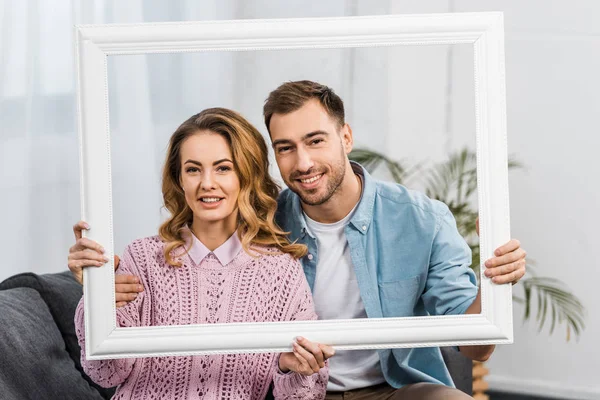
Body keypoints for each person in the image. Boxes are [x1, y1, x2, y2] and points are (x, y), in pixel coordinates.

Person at [70, 81, 527, 399]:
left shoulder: (422, 220)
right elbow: (182, 268)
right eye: (285, 147)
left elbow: (477, 347)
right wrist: (93, 284)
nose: (302, 161)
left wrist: (494, 281)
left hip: (395, 387)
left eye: (315, 140)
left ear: (346, 137)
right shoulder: (263, 220)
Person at [72, 108, 332, 400]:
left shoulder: (280, 272)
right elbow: (106, 373)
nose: (207, 183)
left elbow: (307, 396)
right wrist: (95, 301)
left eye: (223, 168)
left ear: (247, 176)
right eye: (193, 169)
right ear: (180, 179)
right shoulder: (142, 258)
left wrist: (292, 370)